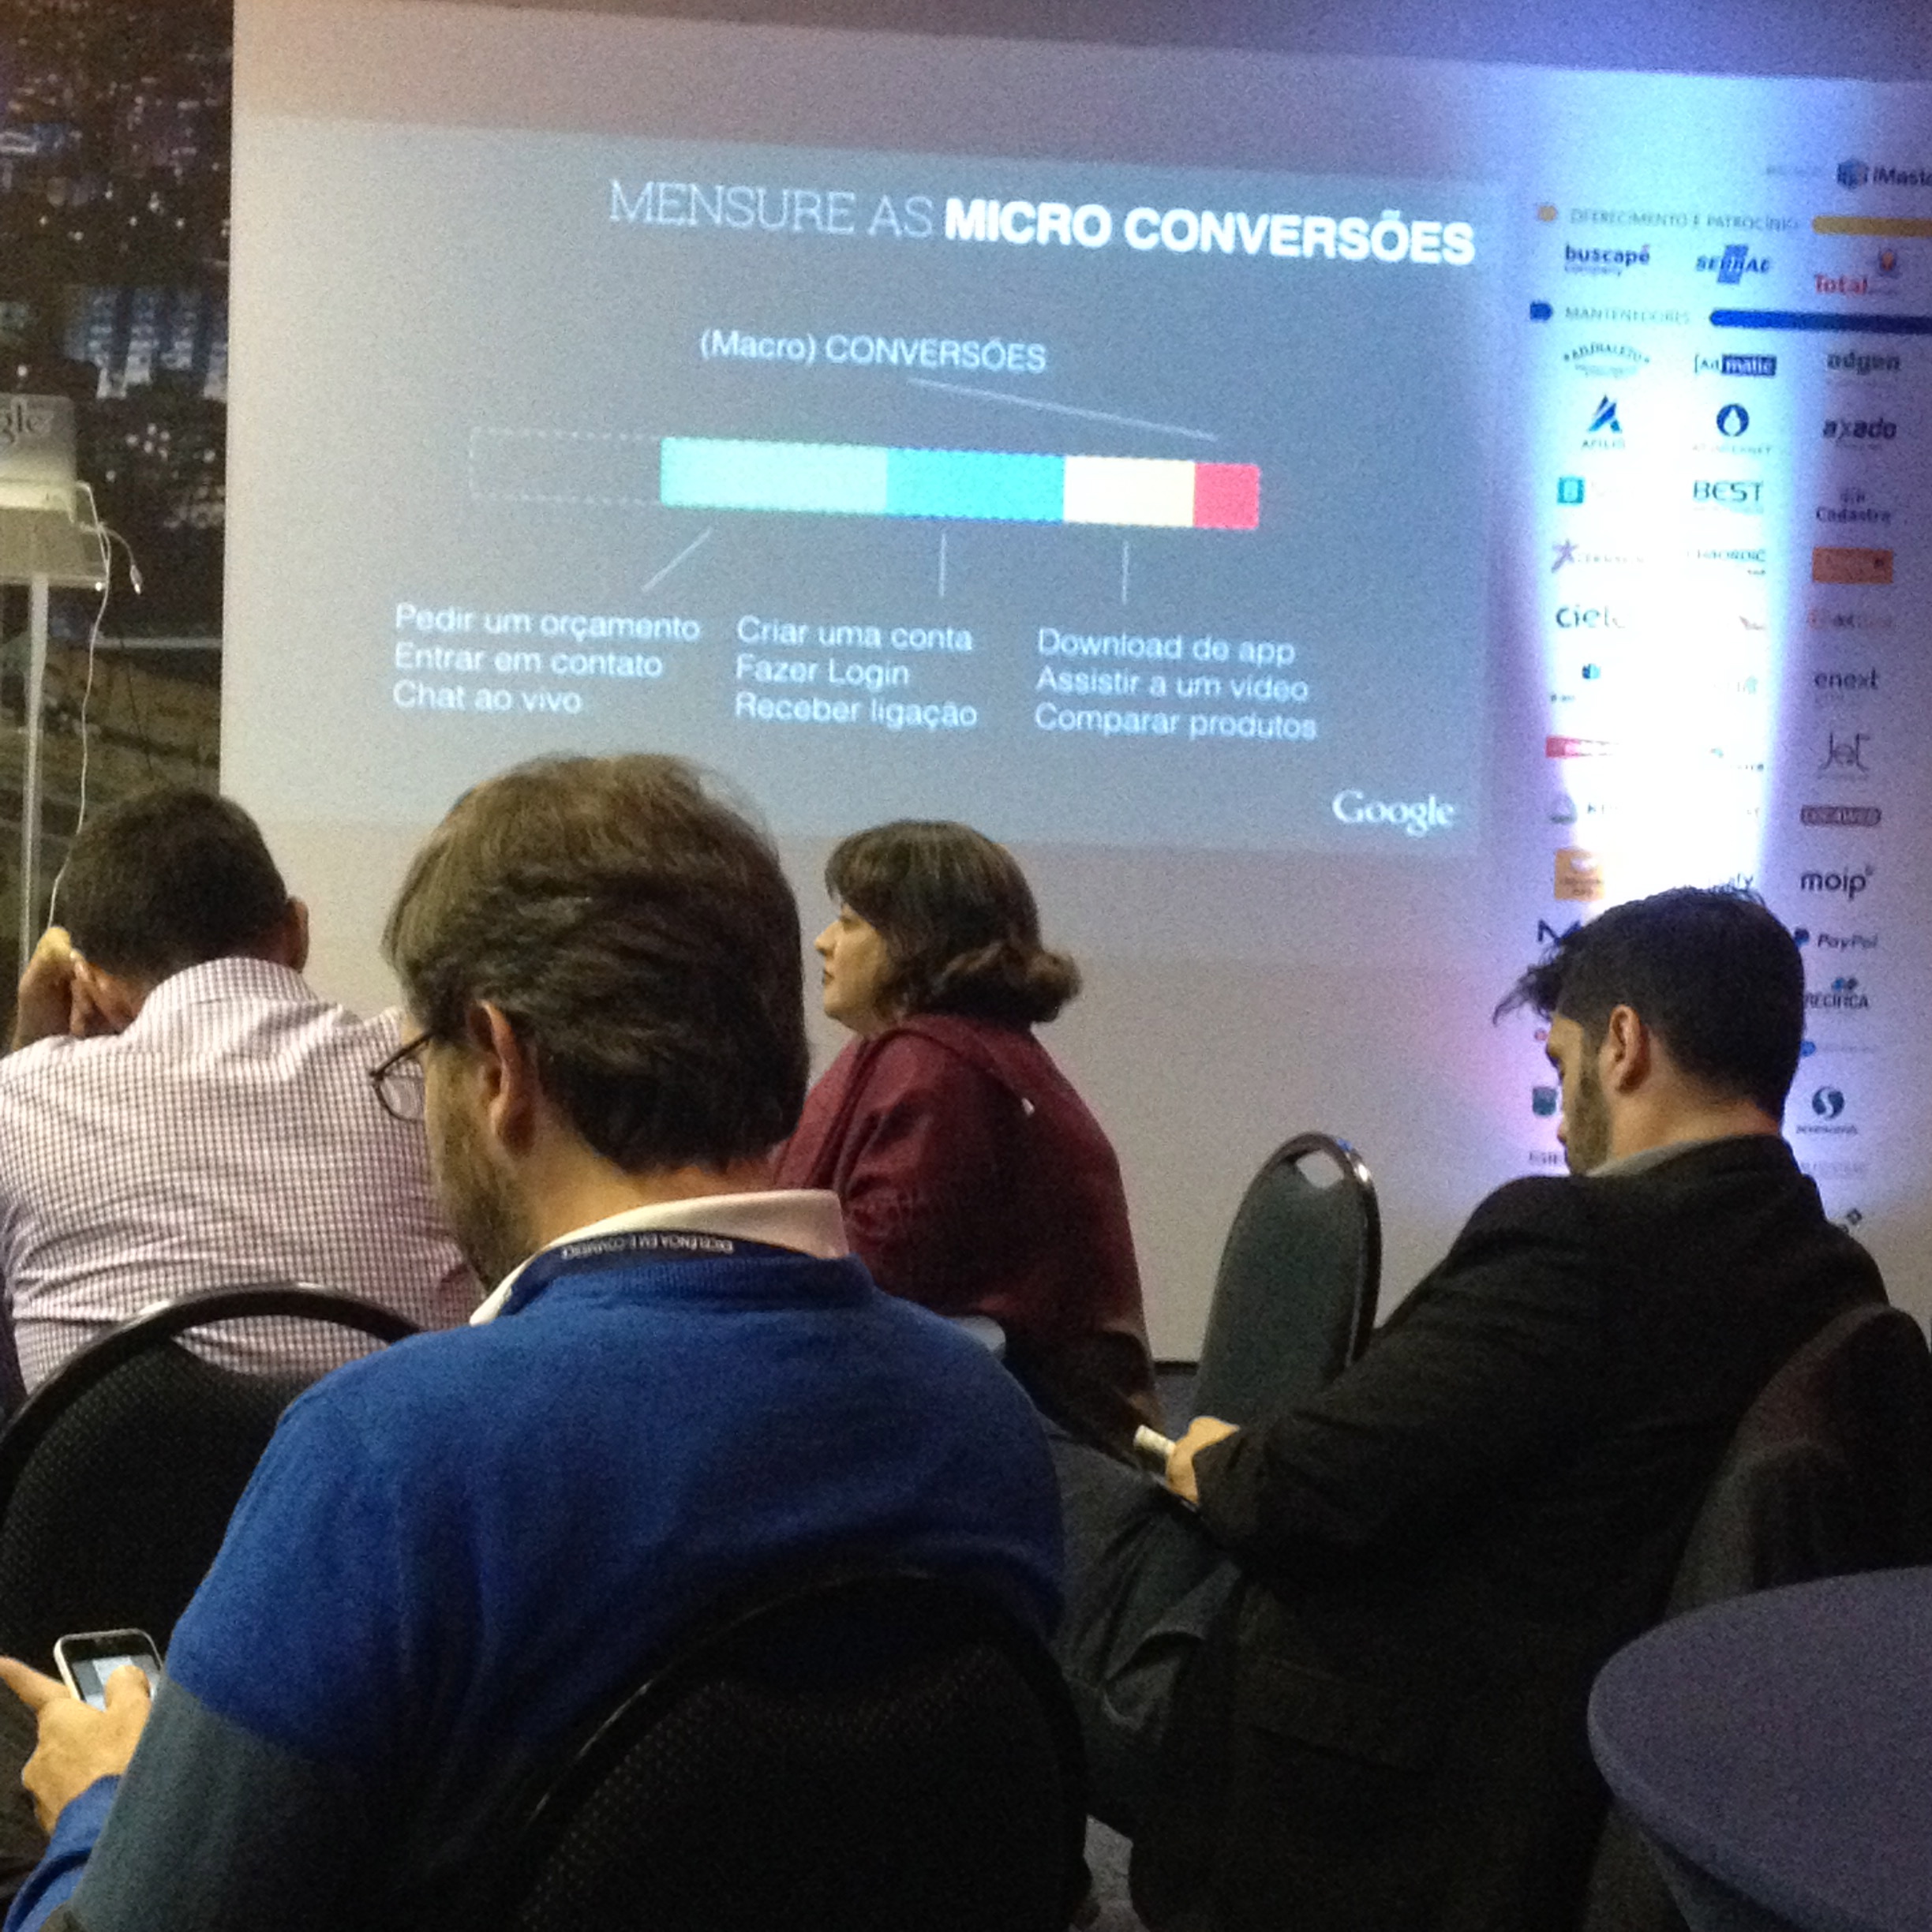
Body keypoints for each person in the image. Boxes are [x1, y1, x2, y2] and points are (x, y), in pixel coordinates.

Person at [0, 754, 1060, 1932]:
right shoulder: (986, 1424)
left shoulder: (390, 1455)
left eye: (425, 1069)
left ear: (501, 1064)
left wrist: (101, 1805)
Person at [1050, 886, 1886, 1932]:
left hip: (1373, 1762)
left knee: (1009, 1473)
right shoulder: (1829, 1271)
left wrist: (1210, 1460)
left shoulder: (1576, 1251)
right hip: (1556, 1748)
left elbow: (1294, 1495)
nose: (1563, 1115)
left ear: (1623, 1044)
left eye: (1561, 1065)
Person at [0, 787, 473, 1392]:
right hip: (391, 1455)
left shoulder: (18, 1103)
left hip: (133, 1458)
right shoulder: (435, 1075)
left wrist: (32, 1047)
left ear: (93, 982)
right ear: (297, 932)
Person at [775, 819, 1157, 1442]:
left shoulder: (940, 1068)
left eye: (849, 922)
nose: (822, 942)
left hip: (1037, 1431)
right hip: (983, 1404)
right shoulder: (935, 1049)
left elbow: (871, 1284)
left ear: (915, 940)